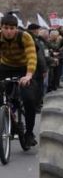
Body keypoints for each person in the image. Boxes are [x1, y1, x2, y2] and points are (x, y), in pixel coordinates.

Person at [0, 15, 39, 147]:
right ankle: (8, 114)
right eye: (6, 28)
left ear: (16, 28)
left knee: (29, 99)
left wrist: (28, 75)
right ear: (1, 28)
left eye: (12, 28)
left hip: (24, 68)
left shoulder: (25, 37)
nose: (9, 31)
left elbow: (32, 57)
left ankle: (29, 133)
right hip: (5, 67)